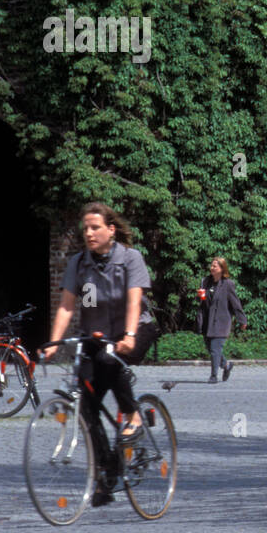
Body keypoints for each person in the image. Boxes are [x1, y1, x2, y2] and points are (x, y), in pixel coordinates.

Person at [43, 202, 153, 508]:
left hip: (135, 329)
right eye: (86, 229)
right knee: (85, 404)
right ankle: (108, 471)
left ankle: (133, 416)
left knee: (109, 359)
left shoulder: (130, 258)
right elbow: (67, 306)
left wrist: (129, 335)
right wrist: (54, 342)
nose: (89, 233)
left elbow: (134, 300)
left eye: (95, 228)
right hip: (96, 336)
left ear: (111, 230)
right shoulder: (79, 264)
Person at [198, 256, 248, 383]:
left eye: (215, 266)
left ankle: (213, 376)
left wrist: (242, 320)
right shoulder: (205, 282)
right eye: (211, 265)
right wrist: (201, 297)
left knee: (215, 349)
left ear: (222, 268)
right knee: (211, 348)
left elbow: (236, 303)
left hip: (221, 321)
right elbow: (204, 302)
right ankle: (226, 365)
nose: (212, 268)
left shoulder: (228, 284)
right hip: (207, 321)